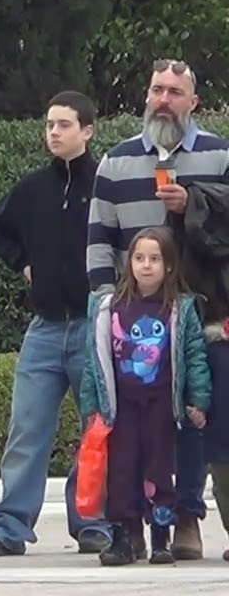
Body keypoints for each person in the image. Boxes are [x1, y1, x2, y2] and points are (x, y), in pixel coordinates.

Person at [86, 57, 229, 559]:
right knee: (133, 431)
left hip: (203, 317)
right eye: (156, 90)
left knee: (194, 420)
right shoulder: (116, 161)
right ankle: (131, 528)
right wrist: (104, 304)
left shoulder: (219, 154)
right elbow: (99, 239)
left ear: (194, 102)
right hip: (132, 324)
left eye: (174, 91)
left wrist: (193, 205)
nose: (163, 100)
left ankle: (187, 519)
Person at [0, 91, 112, 557]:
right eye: (49, 123)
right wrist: (22, 262)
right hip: (46, 327)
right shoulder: (32, 188)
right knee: (27, 428)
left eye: (64, 124)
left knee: (97, 428)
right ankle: (9, 526)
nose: (54, 132)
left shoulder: (106, 185)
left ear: (87, 131)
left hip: (96, 325)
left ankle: (93, 520)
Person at [78, 226, 212, 566]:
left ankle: (160, 535)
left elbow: (195, 356)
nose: (146, 265)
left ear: (168, 266)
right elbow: (94, 362)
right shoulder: (110, 308)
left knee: (159, 469)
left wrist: (198, 400)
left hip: (160, 408)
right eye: (139, 258)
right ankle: (123, 536)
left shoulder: (180, 309)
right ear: (129, 263)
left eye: (155, 259)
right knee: (120, 472)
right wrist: (92, 407)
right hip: (122, 409)